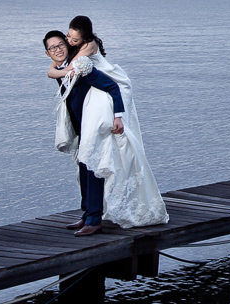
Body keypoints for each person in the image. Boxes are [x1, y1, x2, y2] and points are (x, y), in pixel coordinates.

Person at [54, 15, 168, 232]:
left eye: (74, 39)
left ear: (85, 39)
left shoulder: (85, 63)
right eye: (68, 36)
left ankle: (94, 219)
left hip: (96, 116)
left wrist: (117, 117)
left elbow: (112, 87)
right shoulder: (72, 57)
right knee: (83, 164)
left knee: (94, 163)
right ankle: (87, 213)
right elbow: (58, 74)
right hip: (80, 117)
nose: (69, 41)